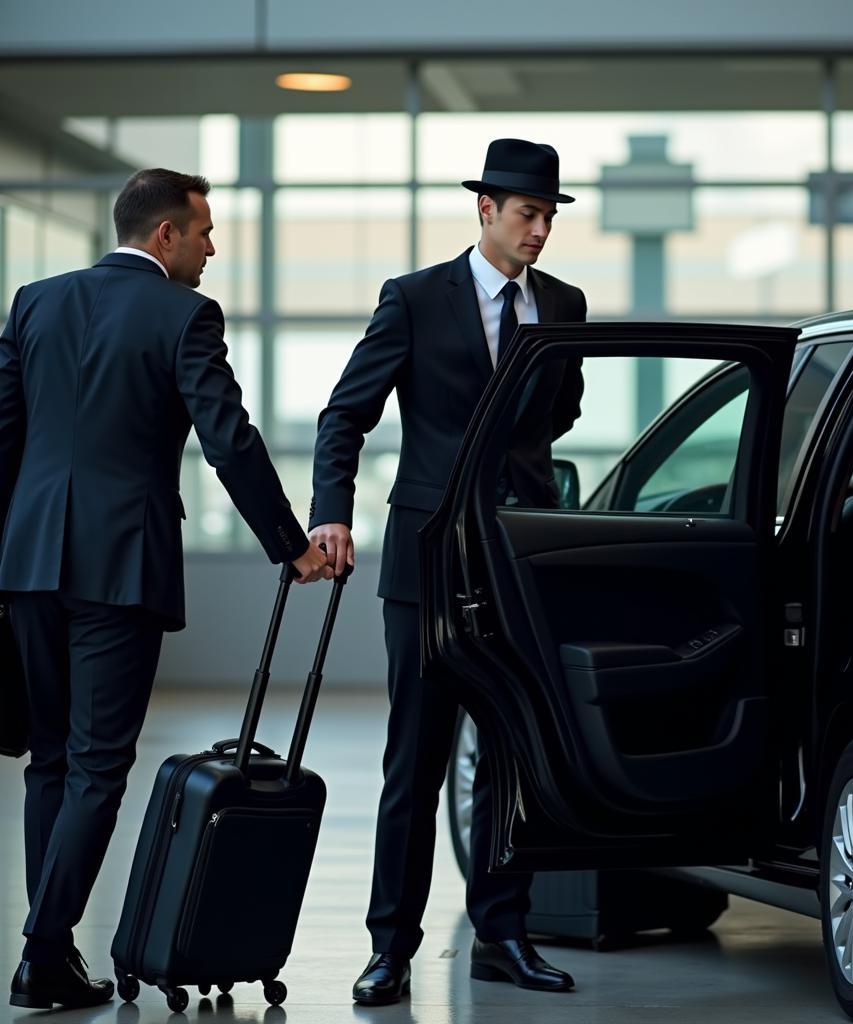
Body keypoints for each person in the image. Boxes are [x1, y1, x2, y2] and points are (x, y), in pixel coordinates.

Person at [0, 168, 328, 1011]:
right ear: (164, 236)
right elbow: (229, 439)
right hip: (118, 566)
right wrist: (288, 547)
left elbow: (5, 440)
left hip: (29, 561)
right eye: (205, 231)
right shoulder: (185, 314)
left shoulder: (35, 301)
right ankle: (41, 955)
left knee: (53, 762)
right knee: (98, 768)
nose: (213, 246)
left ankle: (53, 946)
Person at [309, 138, 586, 1006]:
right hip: (429, 559)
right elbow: (344, 413)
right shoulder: (416, 299)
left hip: (517, 558)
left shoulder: (566, 304)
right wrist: (332, 512)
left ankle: (504, 934)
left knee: (512, 755)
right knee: (416, 760)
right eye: (527, 214)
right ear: (486, 210)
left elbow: (564, 405)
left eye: (548, 216)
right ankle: (390, 948)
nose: (540, 230)